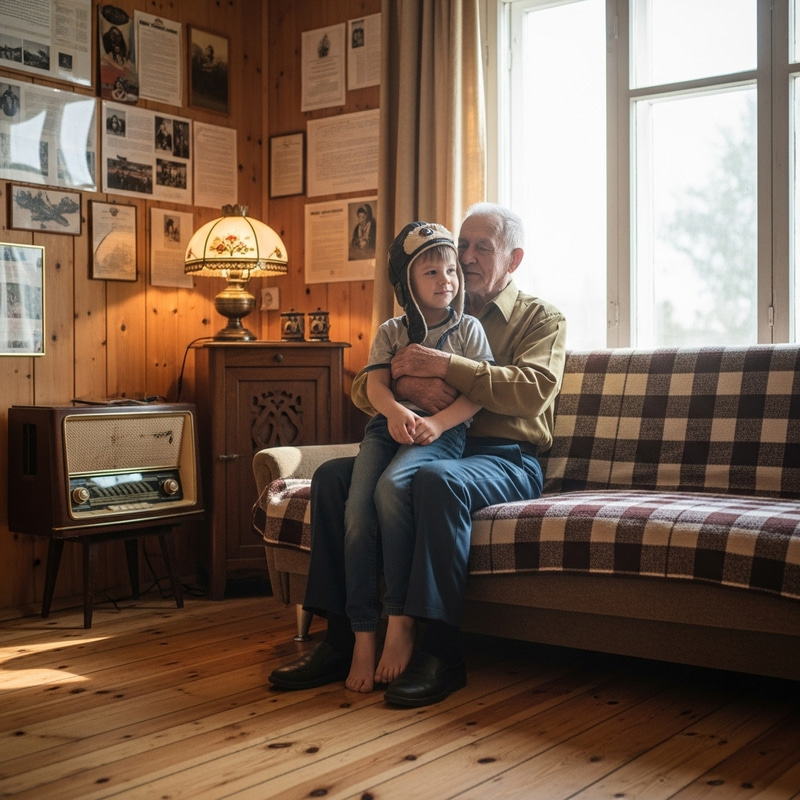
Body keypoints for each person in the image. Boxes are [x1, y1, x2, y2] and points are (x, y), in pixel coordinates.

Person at [269, 203, 567, 707]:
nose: (466, 258)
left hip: (503, 456)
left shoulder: (540, 319)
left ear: (513, 260)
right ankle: (342, 636)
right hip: (420, 441)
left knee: (435, 482)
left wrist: (444, 366)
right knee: (333, 480)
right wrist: (401, 388)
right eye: (462, 245)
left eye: (482, 248)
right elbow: (367, 387)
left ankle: (441, 650)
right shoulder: (421, 312)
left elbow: (532, 390)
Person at [341, 221, 494, 693]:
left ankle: (401, 620)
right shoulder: (391, 331)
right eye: (432, 272)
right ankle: (363, 634)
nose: (446, 279)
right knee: (356, 511)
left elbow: (477, 396)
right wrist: (391, 413)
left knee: (393, 489)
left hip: (439, 434)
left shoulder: (469, 330)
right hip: (387, 428)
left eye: (451, 270)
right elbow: (375, 383)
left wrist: (438, 422)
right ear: (408, 282)